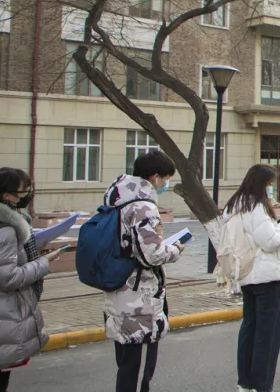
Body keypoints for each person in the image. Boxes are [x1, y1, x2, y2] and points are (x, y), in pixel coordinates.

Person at [100, 151, 185, 392]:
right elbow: (152, 254)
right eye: (165, 179)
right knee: (138, 369)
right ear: (155, 177)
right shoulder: (142, 207)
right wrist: (175, 249)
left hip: (118, 287)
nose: (165, 184)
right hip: (139, 295)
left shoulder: (117, 200)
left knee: (126, 362)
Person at [0, 168, 63, 392]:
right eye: (25, 190)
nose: (29, 193)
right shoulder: (6, 230)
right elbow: (6, 278)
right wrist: (42, 263)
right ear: (7, 196)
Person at [226, 164, 280, 392]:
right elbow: (271, 241)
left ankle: (245, 381)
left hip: (247, 274)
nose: (271, 189)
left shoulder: (235, 205)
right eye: (269, 185)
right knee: (268, 333)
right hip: (265, 276)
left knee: (250, 328)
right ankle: (261, 384)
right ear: (261, 185)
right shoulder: (255, 208)